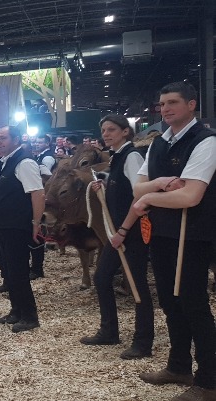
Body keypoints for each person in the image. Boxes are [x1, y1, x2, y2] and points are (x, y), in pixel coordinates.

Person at [132, 82, 216, 399]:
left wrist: (149, 197)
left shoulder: (206, 141)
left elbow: (191, 196)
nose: (165, 109)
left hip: (192, 235)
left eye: (173, 103)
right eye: (162, 104)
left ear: (191, 104)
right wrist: (161, 185)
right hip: (162, 233)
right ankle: (178, 366)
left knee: (194, 305)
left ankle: (209, 381)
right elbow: (137, 188)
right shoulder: (157, 143)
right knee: (169, 303)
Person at [78, 115, 154, 361]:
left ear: (125, 131)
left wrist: (123, 230)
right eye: (103, 130)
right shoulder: (117, 156)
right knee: (101, 278)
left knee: (137, 285)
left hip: (131, 232)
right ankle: (109, 331)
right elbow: (121, 187)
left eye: (111, 129)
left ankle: (143, 342)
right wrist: (104, 184)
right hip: (118, 232)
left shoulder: (132, 156)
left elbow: (139, 197)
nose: (106, 134)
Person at [0, 125, 45, 333]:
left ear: (17, 139)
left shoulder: (25, 163)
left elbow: (37, 194)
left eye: (3, 138)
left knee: (19, 271)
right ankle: (16, 311)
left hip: (16, 226)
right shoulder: (1, 163)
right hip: (1, 225)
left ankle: (29, 316)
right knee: (9, 271)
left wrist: (36, 223)